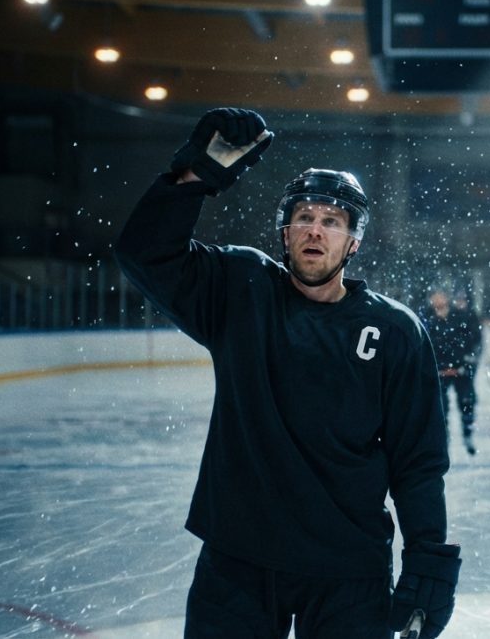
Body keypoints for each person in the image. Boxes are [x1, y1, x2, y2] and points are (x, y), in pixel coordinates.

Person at [114, 108, 460, 639]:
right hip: (239, 560)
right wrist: (193, 177)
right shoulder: (241, 289)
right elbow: (144, 254)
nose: (315, 229)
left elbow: (418, 462)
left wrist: (427, 561)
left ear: (353, 242)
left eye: (333, 220)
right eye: (304, 216)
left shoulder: (395, 330)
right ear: (285, 231)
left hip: (349, 570)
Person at [420, 285, 483, 456]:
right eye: (434, 296)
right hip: (438, 370)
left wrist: (469, 360)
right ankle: (443, 437)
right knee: (440, 407)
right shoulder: (426, 319)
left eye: (440, 295)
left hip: (461, 368)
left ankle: (468, 434)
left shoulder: (461, 317)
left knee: (467, 402)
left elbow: (474, 338)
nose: (437, 299)